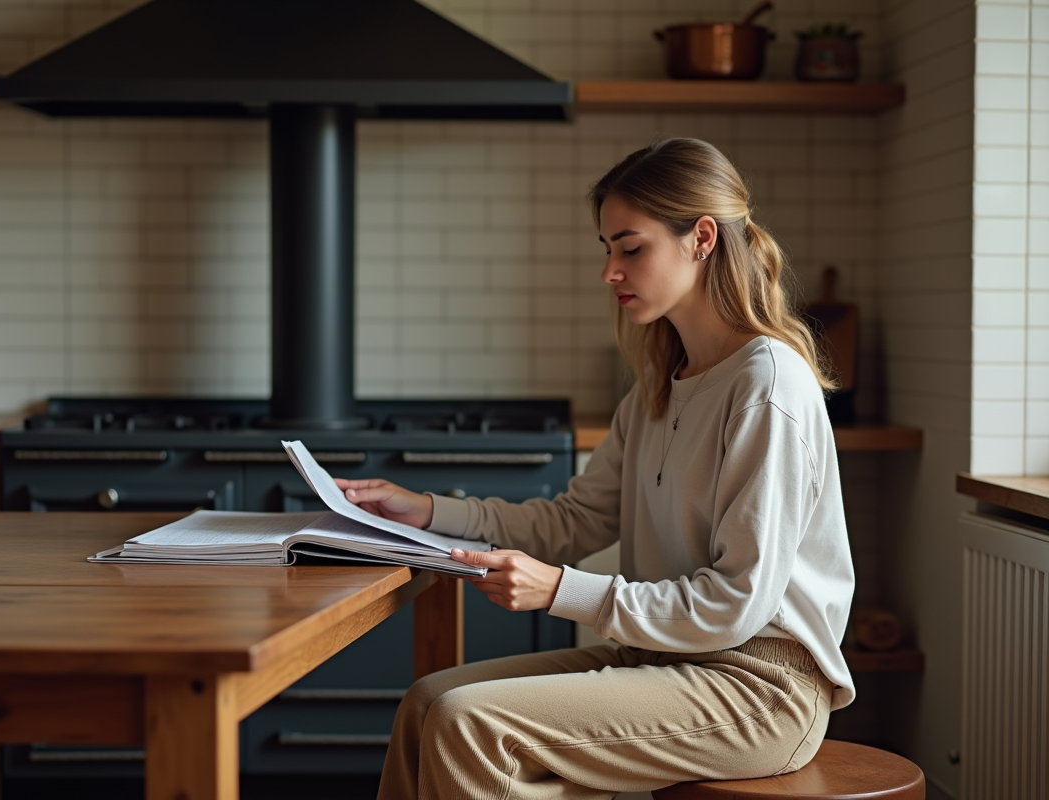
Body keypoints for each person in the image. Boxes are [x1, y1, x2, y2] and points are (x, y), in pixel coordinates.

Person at [336, 138, 855, 800]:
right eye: (607, 249)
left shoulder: (768, 383)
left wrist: (561, 590)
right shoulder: (658, 389)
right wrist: (430, 511)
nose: (610, 270)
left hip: (759, 690)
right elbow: (576, 520)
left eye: (630, 247)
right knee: (428, 701)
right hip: (660, 659)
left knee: (471, 725)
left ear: (700, 239)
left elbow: (736, 603)